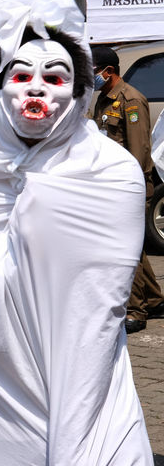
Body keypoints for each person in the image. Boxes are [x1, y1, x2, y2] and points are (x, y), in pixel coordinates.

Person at [0, 0, 153, 465]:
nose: (37, 89)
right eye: (21, 77)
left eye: (56, 77)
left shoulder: (110, 171)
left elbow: (96, 300)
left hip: (91, 384)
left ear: (81, 90)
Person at [89, 45, 163, 334]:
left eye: (95, 71)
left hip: (127, 187)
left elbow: (139, 151)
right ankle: (155, 300)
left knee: (124, 248)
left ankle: (136, 310)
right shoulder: (104, 99)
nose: (92, 76)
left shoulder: (131, 100)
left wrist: (131, 188)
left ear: (109, 72)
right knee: (135, 246)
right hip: (111, 185)